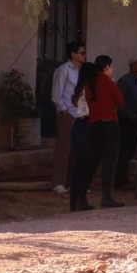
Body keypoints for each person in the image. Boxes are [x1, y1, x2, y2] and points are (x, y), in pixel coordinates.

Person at [78, 55, 127, 209]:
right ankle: (106, 196)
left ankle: (81, 197)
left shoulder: (89, 84)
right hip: (109, 125)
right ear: (107, 67)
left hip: (93, 125)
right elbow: (121, 101)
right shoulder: (108, 82)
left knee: (92, 161)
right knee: (108, 162)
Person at [50, 40, 86, 194]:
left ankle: (74, 182)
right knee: (64, 149)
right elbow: (56, 93)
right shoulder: (64, 70)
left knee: (78, 150)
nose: (84, 56)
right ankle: (59, 182)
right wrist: (63, 109)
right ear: (73, 54)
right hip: (68, 114)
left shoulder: (82, 72)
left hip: (80, 114)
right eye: (82, 53)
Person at [114, 55, 137, 190]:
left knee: (131, 150)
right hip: (127, 121)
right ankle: (120, 179)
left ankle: (124, 177)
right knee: (125, 150)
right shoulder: (125, 81)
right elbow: (120, 102)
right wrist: (129, 115)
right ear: (133, 66)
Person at [67, 62, 97, 212]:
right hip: (86, 125)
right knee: (84, 166)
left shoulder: (79, 88)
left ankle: (76, 200)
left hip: (79, 125)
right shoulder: (89, 88)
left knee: (79, 166)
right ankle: (80, 199)